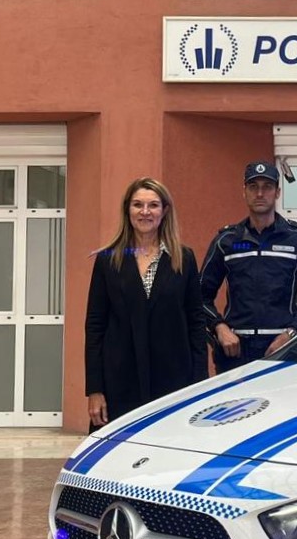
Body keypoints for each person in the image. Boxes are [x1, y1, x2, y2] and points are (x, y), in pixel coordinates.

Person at [84, 177, 208, 430]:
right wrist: (95, 389)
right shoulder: (108, 261)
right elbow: (95, 327)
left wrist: (200, 383)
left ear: (164, 211)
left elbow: (196, 323)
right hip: (119, 382)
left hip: (174, 382)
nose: (145, 212)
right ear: (127, 210)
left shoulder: (183, 258)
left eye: (153, 205)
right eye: (137, 204)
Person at [200, 161, 297, 372]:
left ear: (277, 192)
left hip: (282, 350)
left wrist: (292, 334)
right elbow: (199, 296)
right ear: (244, 192)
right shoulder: (226, 240)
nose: (260, 193)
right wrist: (219, 327)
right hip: (235, 352)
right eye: (253, 187)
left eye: (267, 187)